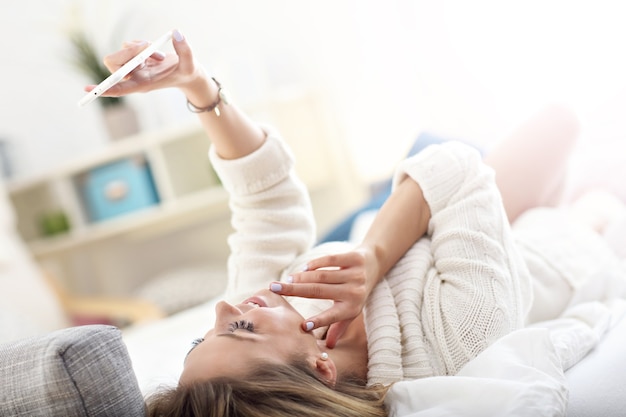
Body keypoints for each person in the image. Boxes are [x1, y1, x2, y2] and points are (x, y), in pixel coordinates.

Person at [89, 29, 626, 417]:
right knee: (573, 143)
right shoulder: (460, 336)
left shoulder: (272, 322)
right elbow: (455, 166)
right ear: (320, 368)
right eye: (241, 328)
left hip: (427, 226)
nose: (225, 307)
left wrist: (196, 84)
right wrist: (370, 259)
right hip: (541, 250)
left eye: (198, 339)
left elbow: (266, 200)